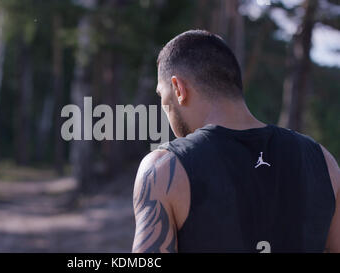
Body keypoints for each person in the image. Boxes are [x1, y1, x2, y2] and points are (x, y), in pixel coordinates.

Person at [132, 30, 340, 253]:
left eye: (163, 97)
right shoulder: (323, 162)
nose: (165, 110)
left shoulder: (164, 170)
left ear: (178, 89)